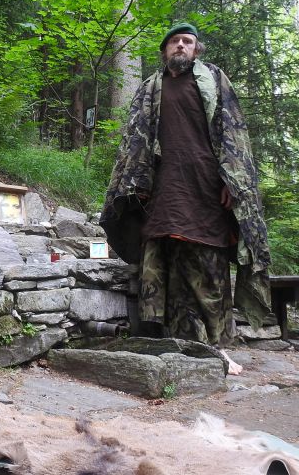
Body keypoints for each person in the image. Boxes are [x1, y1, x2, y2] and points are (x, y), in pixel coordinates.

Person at [100, 22, 271, 375]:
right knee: (168, 272)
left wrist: (233, 182)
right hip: (164, 192)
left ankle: (221, 349)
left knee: (210, 273)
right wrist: (136, 184)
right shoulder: (151, 88)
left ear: (197, 49)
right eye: (174, 41)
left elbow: (233, 133)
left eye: (187, 41)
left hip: (205, 188)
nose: (180, 45)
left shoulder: (213, 79)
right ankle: (184, 347)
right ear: (165, 50)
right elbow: (135, 141)